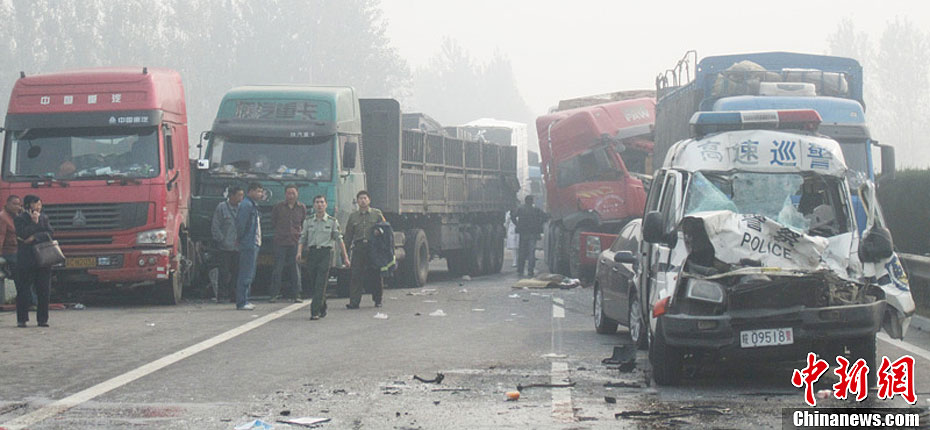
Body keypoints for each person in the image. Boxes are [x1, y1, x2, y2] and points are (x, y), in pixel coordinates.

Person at [297, 195, 349, 320]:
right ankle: (322, 305)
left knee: (321, 282)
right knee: (314, 283)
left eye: (322, 202)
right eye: (317, 202)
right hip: (313, 253)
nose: (319, 205)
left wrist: (345, 258)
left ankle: (314, 311)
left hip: (326, 253)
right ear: (314, 205)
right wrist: (298, 252)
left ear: (326, 205)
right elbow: (302, 238)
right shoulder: (308, 221)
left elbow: (339, 240)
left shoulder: (332, 221)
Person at [14, 195, 54, 327]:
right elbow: (22, 234)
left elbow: (49, 233)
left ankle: (42, 319)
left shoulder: (44, 217)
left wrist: (35, 237)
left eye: (40, 204)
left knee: (44, 290)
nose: (38, 207)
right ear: (28, 205)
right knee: (23, 290)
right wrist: (33, 223)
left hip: (43, 258)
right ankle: (22, 319)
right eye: (36, 204)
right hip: (26, 259)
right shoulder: (20, 219)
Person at [343, 190, 386, 309]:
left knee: (375, 274)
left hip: (373, 248)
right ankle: (354, 302)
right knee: (356, 275)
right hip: (359, 247)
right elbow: (348, 235)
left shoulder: (377, 214)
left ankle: (378, 300)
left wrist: (379, 232)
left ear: (369, 200)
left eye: (365, 198)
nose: (363, 200)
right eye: (360, 198)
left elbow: (386, 228)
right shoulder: (353, 217)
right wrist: (345, 252)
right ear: (357, 201)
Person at [269, 184, 306, 303]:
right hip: (280, 242)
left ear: (297, 194)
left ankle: (297, 294)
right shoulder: (278, 207)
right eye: (288, 193)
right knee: (277, 269)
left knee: (295, 269)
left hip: (295, 242)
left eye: (293, 193)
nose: (291, 196)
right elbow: (273, 222)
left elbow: (303, 223)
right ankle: (274, 294)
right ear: (285, 194)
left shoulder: (302, 207)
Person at [211, 186, 244, 302]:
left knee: (237, 273)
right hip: (225, 247)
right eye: (239, 195)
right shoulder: (222, 207)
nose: (241, 198)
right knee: (224, 273)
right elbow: (215, 225)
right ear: (232, 196)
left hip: (238, 247)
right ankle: (222, 296)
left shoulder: (242, 208)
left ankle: (234, 295)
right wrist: (221, 239)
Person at [235, 182, 264, 310]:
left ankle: (246, 299)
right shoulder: (246, 205)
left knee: (250, 272)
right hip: (248, 243)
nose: (260, 194)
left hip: (253, 242)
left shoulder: (252, 205)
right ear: (250, 192)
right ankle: (242, 301)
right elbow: (241, 225)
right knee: (246, 273)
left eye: (261, 191)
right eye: (257, 191)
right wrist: (241, 239)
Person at [511, 195, 548, 277]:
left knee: (522, 252)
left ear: (525, 201)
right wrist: (539, 224)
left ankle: (520, 270)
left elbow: (513, 216)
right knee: (531, 253)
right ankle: (530, 270)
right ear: (532, 201)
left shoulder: (520, 209)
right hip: (533, 233)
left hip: (523, 233)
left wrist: (517, 225)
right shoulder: (536, 210)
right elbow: (545, 217)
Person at [0, 195, 22, 304]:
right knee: (21, 277)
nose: (17, 207)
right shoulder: (3, 217)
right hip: (9, 252)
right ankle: (29, 301)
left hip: (17, 250)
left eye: (19, 204)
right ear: (7, 204)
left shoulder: (16, 216)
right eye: (14, 204)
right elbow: (1, 235)